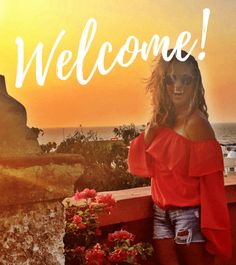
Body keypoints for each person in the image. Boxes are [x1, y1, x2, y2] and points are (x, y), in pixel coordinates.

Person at [128, 50, 232, 265]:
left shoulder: (197, 124)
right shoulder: (160, 122)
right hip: (160, 213)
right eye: (170, 79)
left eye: (186, 79)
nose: (178, 86)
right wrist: (151, 131)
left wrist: (216, 233)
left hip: (188, 215)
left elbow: (212, 186)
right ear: (160, 83)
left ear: (195, 84)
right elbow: (138, 166)